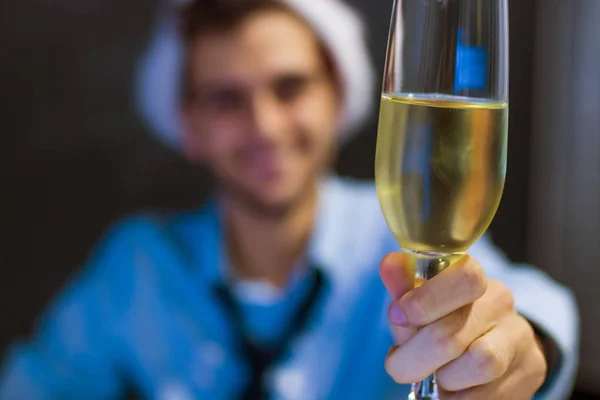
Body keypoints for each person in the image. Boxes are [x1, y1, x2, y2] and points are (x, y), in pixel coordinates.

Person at [0, 0, 578, 399]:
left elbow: (531, 304)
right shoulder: (139, 268)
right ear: (189, 124)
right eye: (227, 100)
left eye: (290, 86)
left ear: (338, 94)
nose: (266, 127)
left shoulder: (397, 236)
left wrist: (521, 348)